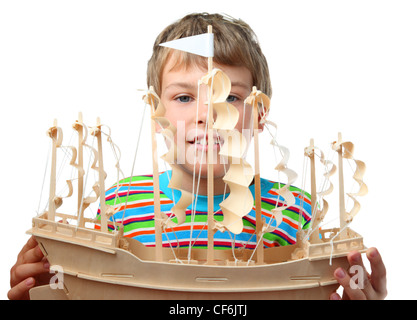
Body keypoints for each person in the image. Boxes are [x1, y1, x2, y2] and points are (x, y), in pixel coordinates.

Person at [8, 13, 387, 300]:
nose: (207, 114)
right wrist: (49, 289)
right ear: (156, 113)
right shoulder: (117, 208)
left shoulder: (296, 213)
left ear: (260, 113)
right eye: (185, 97)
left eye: (230, 97)